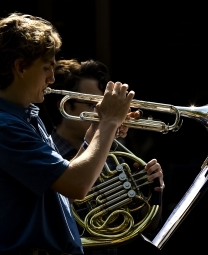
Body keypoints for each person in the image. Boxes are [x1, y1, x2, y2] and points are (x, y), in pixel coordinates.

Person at [0, 12, 164, 255]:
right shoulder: (2, 128)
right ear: (20, 67)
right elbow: (77, 186)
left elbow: (62, 188)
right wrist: (108, 123)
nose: (52, 79)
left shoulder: (25, 117)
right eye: (46, 68)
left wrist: (97, 131)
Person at [41, 59, 165, 255]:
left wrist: (153, 190)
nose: (103, 113)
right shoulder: (45, 153)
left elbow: (146, 225)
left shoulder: (111, 153)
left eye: (104, 106)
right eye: (93, 105)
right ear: (65, 106)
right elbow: (52, 214)